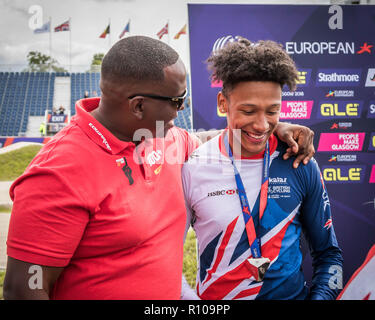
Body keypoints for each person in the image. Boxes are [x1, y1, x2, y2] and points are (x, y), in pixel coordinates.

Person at [4, 36, 314, 300]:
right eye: (178, 101)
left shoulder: (160, 135)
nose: (183, 109)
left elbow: (208, 140)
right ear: (138, 106)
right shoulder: (59, 170)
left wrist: (272, 126)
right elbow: (24, 287)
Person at [181, 38, 343, 300]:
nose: (261, 124)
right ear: (223, 103)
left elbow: (329, 255)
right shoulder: (194, 166)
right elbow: (166, 262)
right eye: (248, 110)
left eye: (272, 111)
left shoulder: (300, 162)